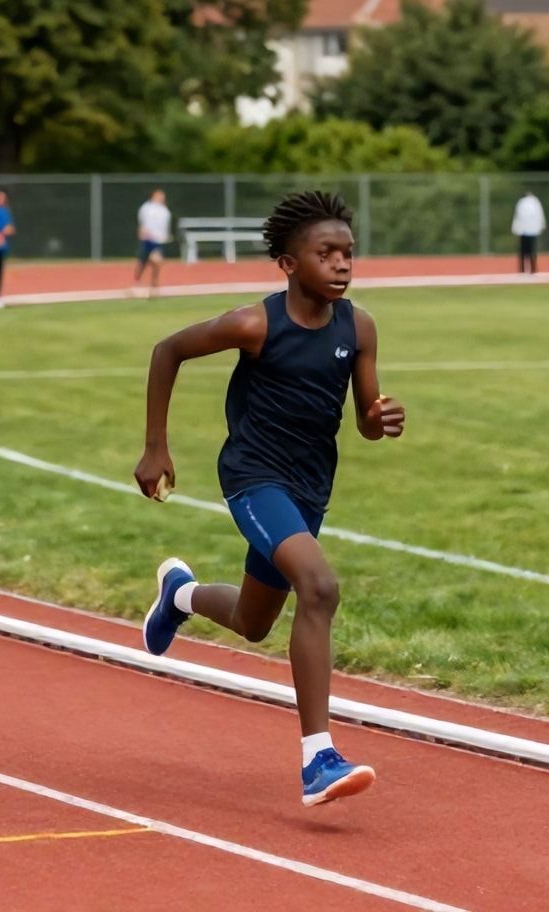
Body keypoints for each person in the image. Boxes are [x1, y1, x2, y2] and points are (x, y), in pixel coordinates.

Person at [134, 190, 405, 808]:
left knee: (255, 623)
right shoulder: (254, 323)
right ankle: (319, 759)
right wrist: (156, 448)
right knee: (320, 587)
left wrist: (378, 419)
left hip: (311, 484)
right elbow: (167, 350)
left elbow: (362, 417)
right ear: (288, 263)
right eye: (326, 253)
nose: (341, 264)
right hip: (254, 477)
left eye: (348, 254)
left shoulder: (358, 326)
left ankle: (178, 593)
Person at [132, 188, 172, 296]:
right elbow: (142, 221)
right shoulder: (146, 207)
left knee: (157, 261)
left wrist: (165, 236)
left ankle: (154, 282)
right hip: (147, 239)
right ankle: (137, 280)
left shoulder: (165, 211)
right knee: (142, 262)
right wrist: (142, 231)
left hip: (157, 241)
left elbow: (165, 226)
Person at [511, 189, 546, 274]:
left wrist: (515, 228)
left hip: (523, 231)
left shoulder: (521, 203)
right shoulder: (535, 202)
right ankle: (533, 269)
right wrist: (542, 225)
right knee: (532, 250)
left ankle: (522, 269)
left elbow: (517, 216)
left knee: (523, 251)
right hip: (533, 230)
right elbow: (540, 215)